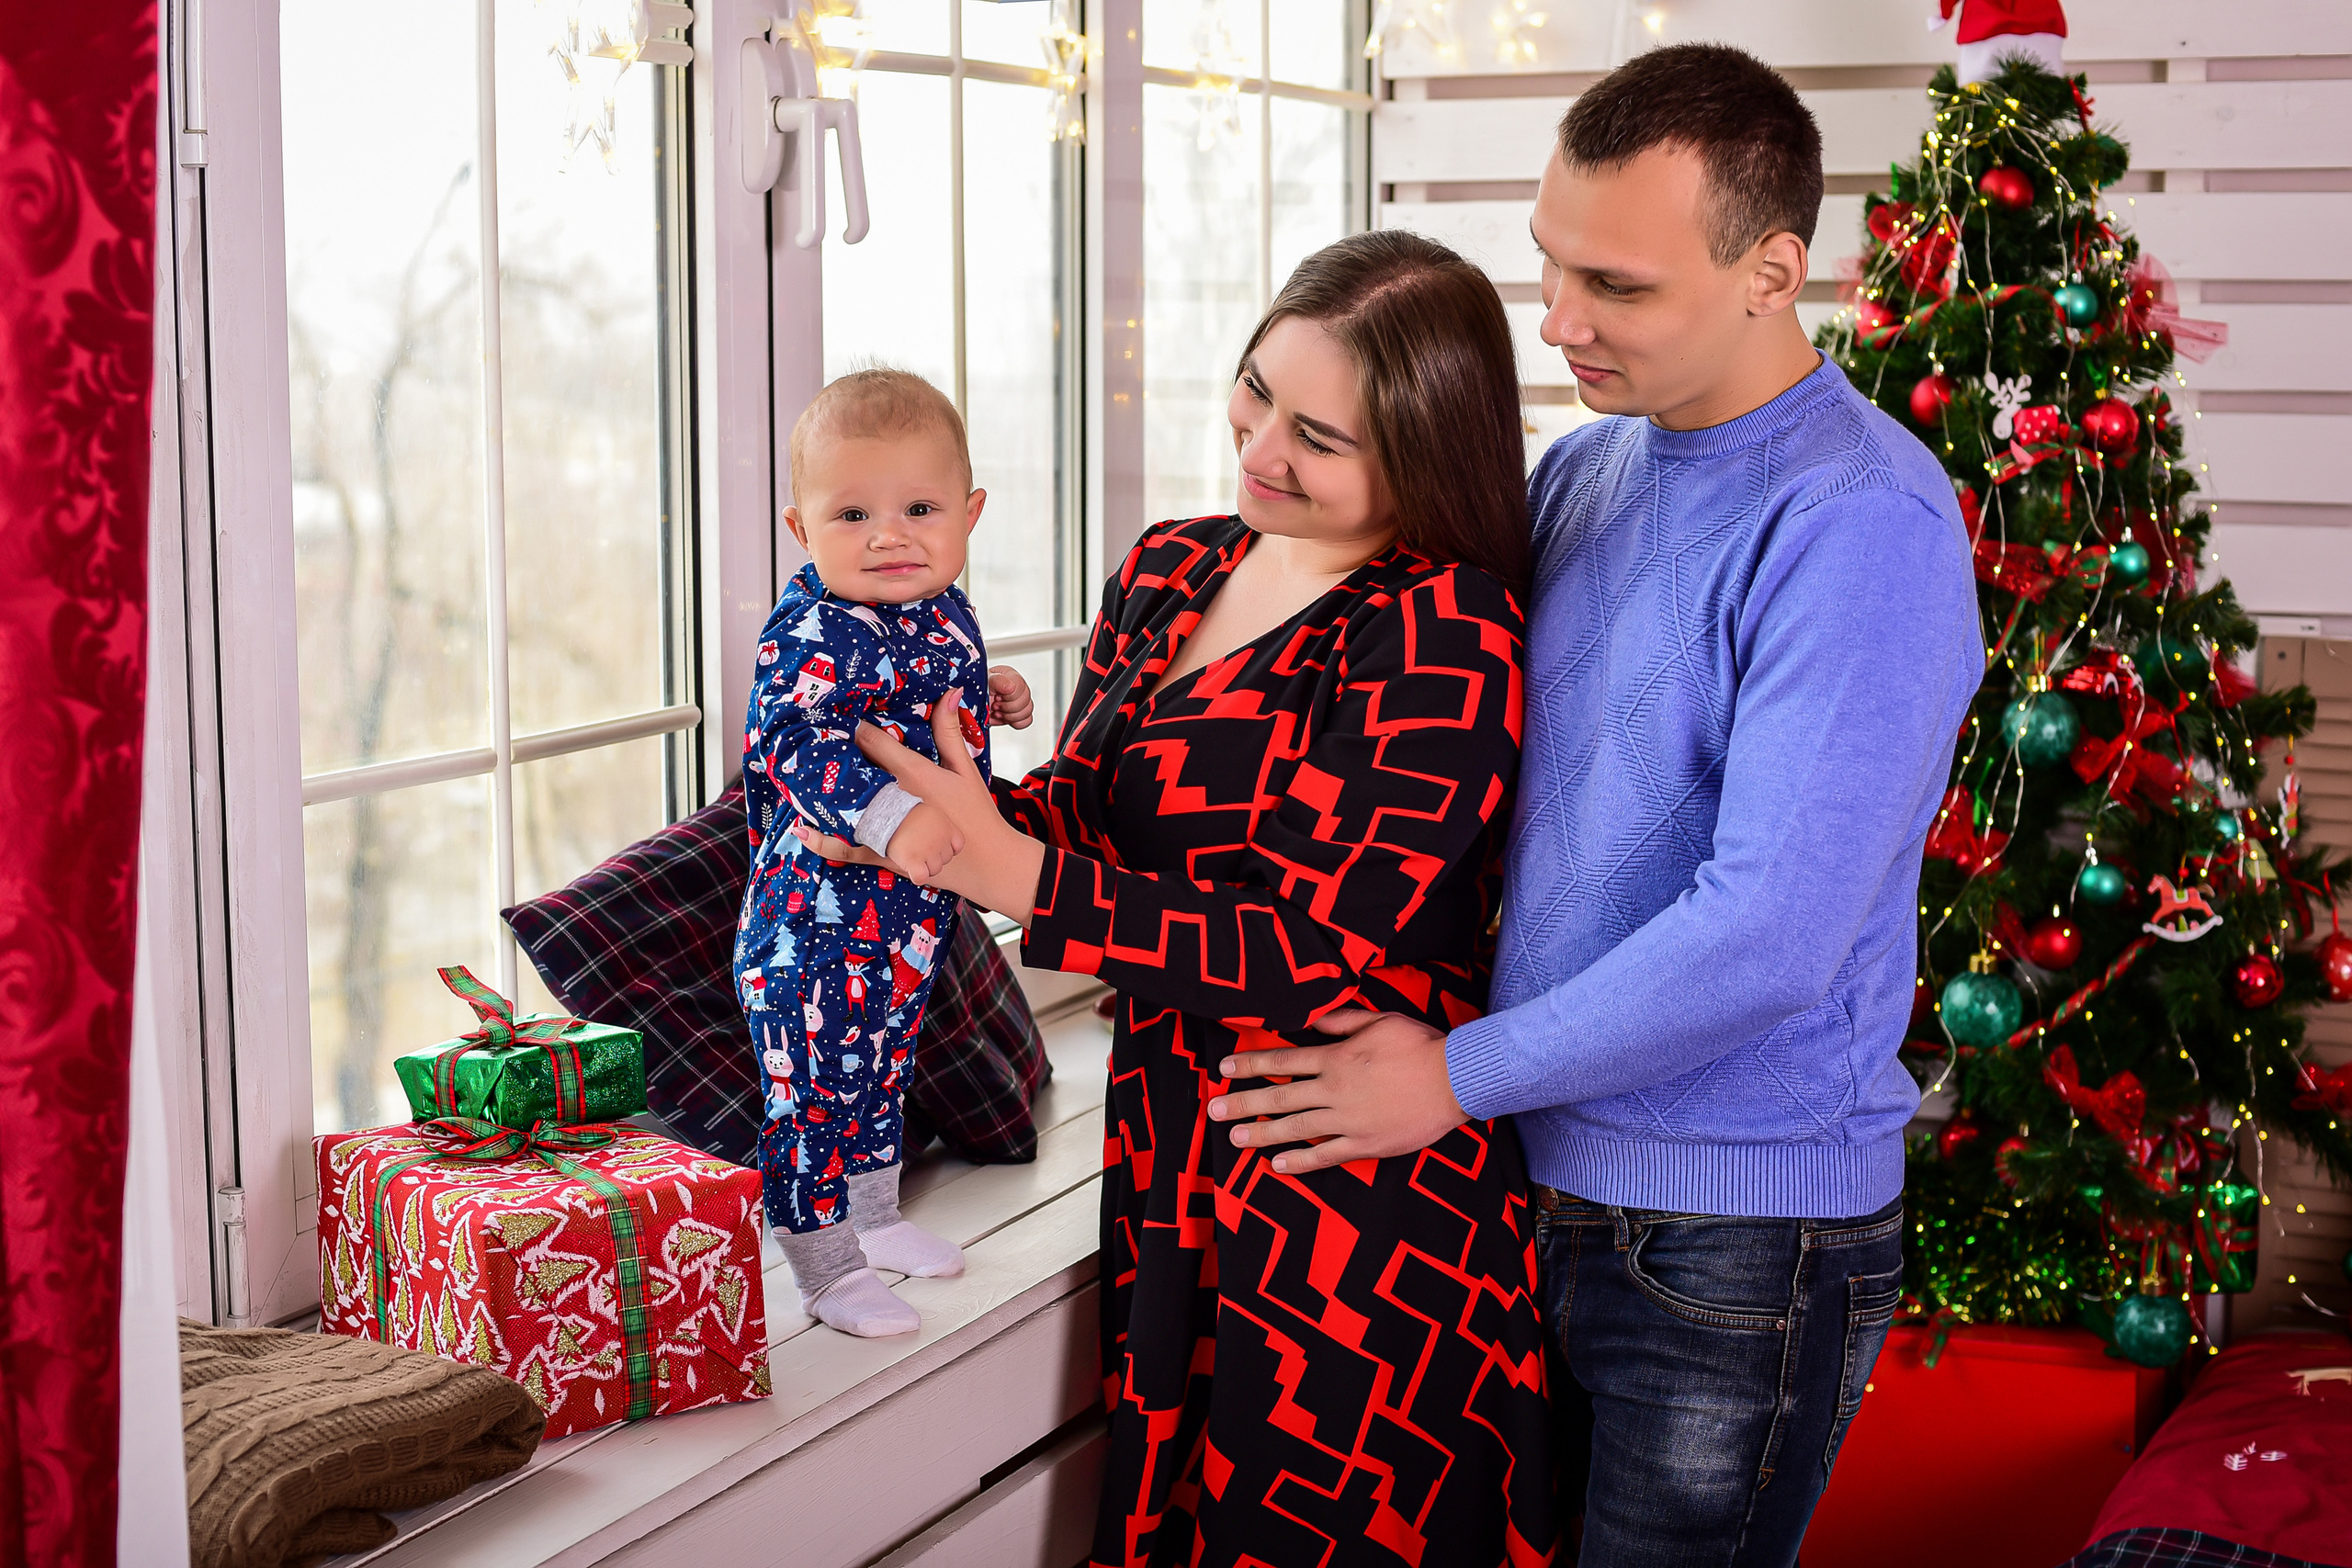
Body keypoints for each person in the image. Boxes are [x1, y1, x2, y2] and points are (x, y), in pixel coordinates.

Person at [1204, 45, 1984, 1565]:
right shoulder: (1586, 469)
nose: (1557, 320)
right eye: (1551, 263)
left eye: (1616, 285)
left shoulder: (1862, 521)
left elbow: (1769, 934)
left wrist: (1453, 1074)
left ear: (1772, 274)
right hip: (1526, 1182)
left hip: (1736, 1241)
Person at [797, 232, 1558, 1565]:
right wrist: (921, 824)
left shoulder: (1444, 624)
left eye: (1319, 436)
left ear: (1422, 452)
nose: (1260, 447)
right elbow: (1090, 810)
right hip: (1166, 1143)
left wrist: (1014, 874)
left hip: (1352, 1184)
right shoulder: (1171, 568)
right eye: (1256, 391)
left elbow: (1310, 944)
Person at [736, 368, 1036, 1338]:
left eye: (920, 509)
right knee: (816, 1093)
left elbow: (922, 698)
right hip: (812, 923)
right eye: (853, 514)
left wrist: (991, 691)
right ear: (802, 530)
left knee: (883, 1070)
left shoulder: (937, 607)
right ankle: (824, 1270)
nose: (889, 536)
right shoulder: (810, 629)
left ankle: (873, 1217)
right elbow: (796, 741)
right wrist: (889, 817)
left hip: (907, 918)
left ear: (969, 514)